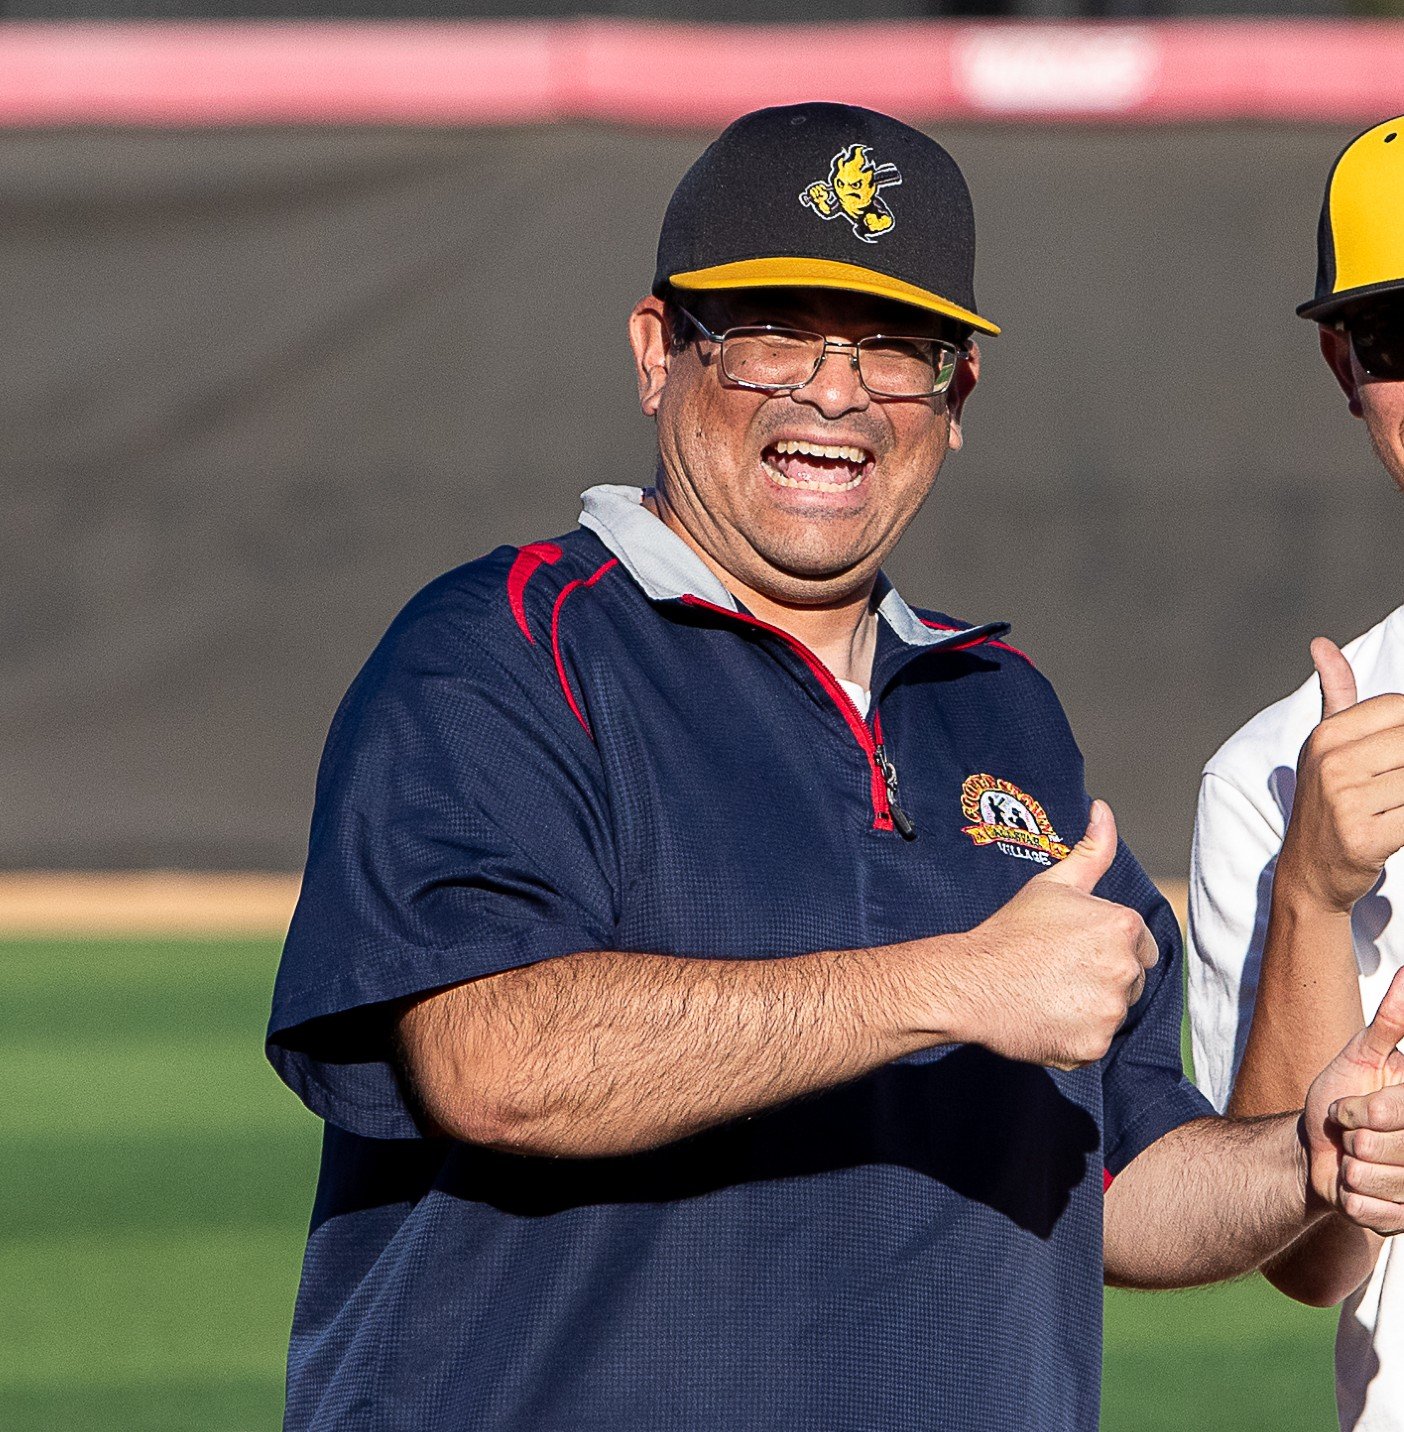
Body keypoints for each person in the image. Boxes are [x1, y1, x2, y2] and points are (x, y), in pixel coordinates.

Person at [269, 103, 1404, 1432]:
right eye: (773, 336)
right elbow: (496, 1060)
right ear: (656, 354)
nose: (834, 391)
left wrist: (1303, 1158)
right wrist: (949, 986)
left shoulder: (1003, 713)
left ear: (958, 396)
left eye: (891, 349)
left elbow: (1129, 1188)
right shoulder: (503, 650)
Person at [1189, 114, 1404, 1431]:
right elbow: (1304, 1267)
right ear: (1343, 363)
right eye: (1399, 338)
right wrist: (1314, 900)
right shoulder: (1275, 776)